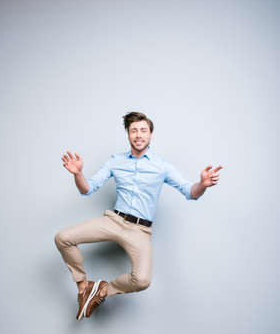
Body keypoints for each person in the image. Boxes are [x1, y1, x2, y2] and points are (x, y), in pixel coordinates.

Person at [54, 111, 223, 321]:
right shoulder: (115, 161)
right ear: (128, 135)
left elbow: (191, 192)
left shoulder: (162, 166)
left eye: (143, 130)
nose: (138, 135)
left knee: (142, 280)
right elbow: (87, 189)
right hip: (113, 221)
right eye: (134, 130)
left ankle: (103, 290)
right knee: (63, 238)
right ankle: (83, 288)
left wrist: (203, 185)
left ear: (151, 135)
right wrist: (78, 173)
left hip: (139, 230)